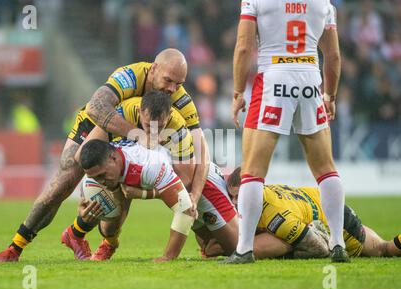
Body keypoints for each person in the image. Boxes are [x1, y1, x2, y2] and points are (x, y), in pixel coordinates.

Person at [0, 48, 210, 263]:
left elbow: (201, 149)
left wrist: (196, 194)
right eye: (168, 80)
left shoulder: (180, 99)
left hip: (136, 136)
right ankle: (15, 247)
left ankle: (90, 237)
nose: (172, 89)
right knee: (65, 180)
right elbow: (95, 106)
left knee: (130, 183)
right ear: (153, 69)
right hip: (100, 125)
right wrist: (137, 134)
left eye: (179, 83)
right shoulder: (129, 76)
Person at [226, 0, 349, 263]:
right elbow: (334, 56)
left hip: (273, 78)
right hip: (309, 78)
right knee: (326, 169)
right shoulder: (323, 3)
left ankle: (244, 249)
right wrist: (330, 95)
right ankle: (338, 243)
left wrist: (237, 92)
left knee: (252, 171)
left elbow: (244, 47)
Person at [61, 92, 237, 260]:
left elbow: (186, 187)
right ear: (139, 113)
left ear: (168, 117)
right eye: (148, 125)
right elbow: (85, 157)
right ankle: (103, 241)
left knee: (237, 248)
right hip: (159, 176)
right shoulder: (125, 113)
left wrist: (144, 193)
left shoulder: (177, 132)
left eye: (159, 127)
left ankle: (253, 216)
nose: (153, 133)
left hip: (201, 183)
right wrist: (86, 199)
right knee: (210, 247)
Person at [217, 167, 401, 260]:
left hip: (337, 221)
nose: (235, 203)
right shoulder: (262, 194)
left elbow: (319, 248)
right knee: (386, 248)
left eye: (238, 197)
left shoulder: (277, 216)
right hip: (323, 203)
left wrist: (284, 251)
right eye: (232, 197)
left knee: (383, 251)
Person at [77, 139, 196, 262]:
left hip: (186, 176)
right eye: (95, 178)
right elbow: (88, 188)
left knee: (211, 247)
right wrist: (83, 211)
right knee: (108, 228)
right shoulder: (101, 163)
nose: (100, 181)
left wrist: (168, 257)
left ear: (114, 159)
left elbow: (185, 209)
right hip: (132, 175)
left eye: (102, 175)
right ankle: (108, 243)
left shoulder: (151, 165)